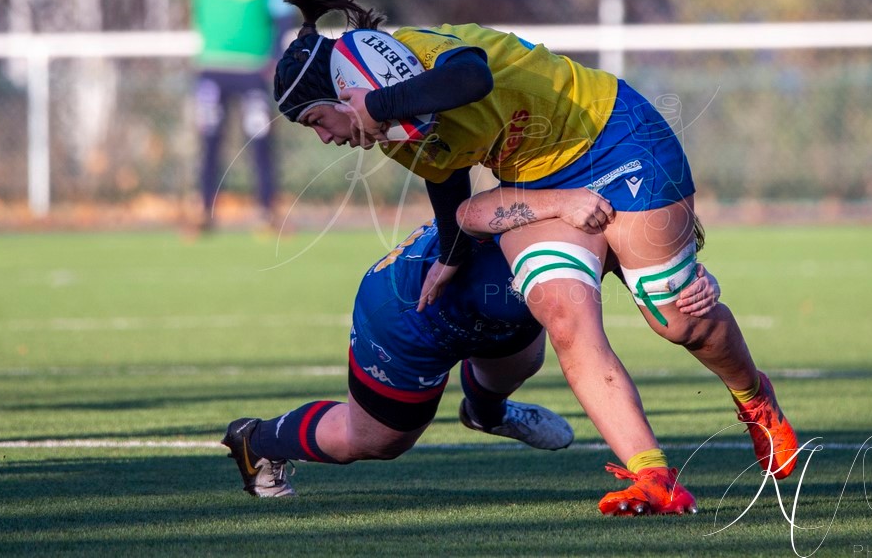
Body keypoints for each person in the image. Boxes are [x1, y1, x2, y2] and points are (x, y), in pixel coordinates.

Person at [269, 0, 799, 515]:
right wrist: (450, 255)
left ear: (344, 90)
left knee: (680, 321)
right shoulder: (392, 133)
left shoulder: (412, 53)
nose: (326, 137)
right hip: (539, 183)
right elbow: (446, 177)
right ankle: (654, 479)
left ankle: (756, 401)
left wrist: (375, 107)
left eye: (317, 120)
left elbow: (471, 76)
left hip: (616, 136)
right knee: (567, 319)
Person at [221, 211, 722, 503]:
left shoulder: (619, 228)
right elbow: (471, 209)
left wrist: (692, 286)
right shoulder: (575, 215)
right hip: (410, 313)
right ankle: (257, 438)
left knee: (526, 359)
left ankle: (485, 414)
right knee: (376, 441)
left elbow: (652, 284)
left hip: (494, 312)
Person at [170, 0, 294, 231]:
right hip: (213, 65)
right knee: (209, 141)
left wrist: (274, 57)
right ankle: (204, 212)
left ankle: (268, 212)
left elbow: (283, 14)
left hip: (252, 67)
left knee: (260, 140)